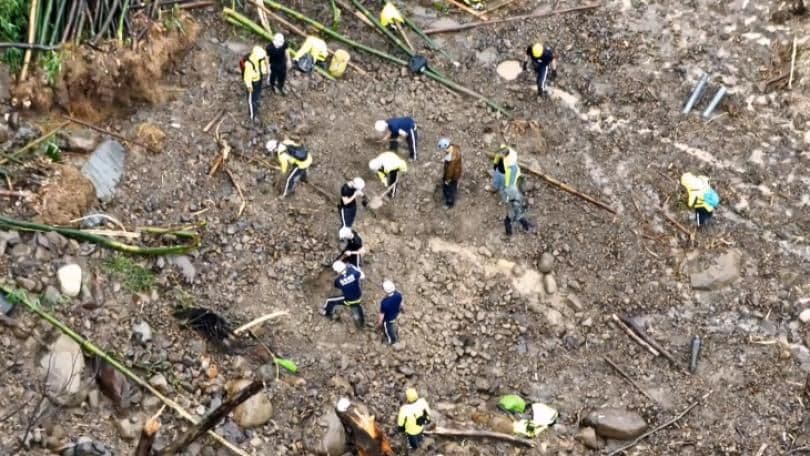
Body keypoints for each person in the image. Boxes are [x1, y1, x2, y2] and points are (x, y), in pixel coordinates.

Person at [323, 260, 366, 328]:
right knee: (357, 309)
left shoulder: (338, 281)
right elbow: (362, 276)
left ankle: (328, 314)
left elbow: (337, 286)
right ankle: (361, 325)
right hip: (358, 296)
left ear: (337, 271)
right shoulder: (353, 271)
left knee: (329, 301)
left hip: (348, 299)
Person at [242, 46, 268, 122]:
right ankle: (252, 116)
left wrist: (267, 68)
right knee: (251, 100)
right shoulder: (249, 64)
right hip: (252, 83)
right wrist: (249, 86)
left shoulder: (260, 60)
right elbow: (247, 77)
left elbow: (263, 70)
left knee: (257, 94)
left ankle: (256, 102)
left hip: (259, 80)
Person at [437, 138, 462, 208]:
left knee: (448, 188)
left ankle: (449, 202)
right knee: (453, 185)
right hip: (456, 173)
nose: (443, 151)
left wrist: (447, 180)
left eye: (443, 149)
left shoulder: (451, 159)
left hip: (452, 176)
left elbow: (449, 171)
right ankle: (453, 191)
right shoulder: (455, 148)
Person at [377, 280, 402, 345]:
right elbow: (400, 305)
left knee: (388, 330)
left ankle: (392, 341)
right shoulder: (398, 295)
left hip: (388, 319)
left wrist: (379, 323)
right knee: (393, 325)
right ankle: (394, 332)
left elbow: (382, 315)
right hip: (395, 314)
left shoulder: (384, 303)